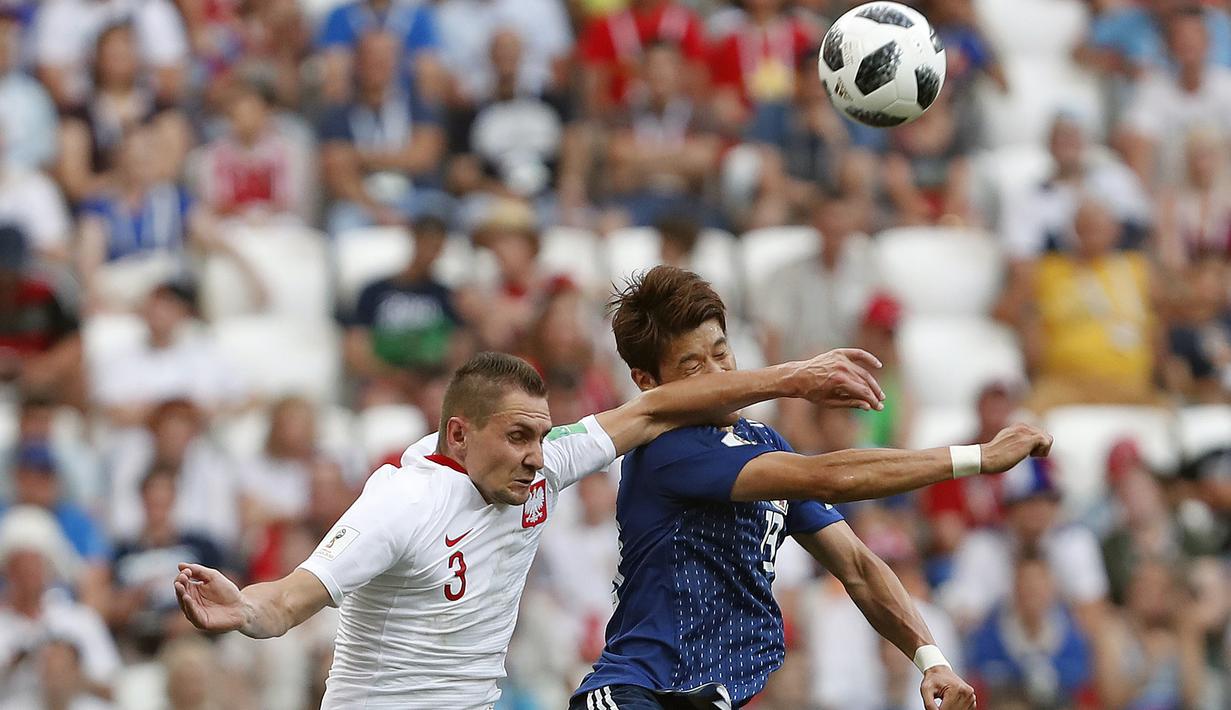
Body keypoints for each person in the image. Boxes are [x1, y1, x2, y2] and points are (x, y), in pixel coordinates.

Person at [173, 347, 890, 708]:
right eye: (517, 436)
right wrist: (242, 608)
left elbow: (656, 409)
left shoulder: (540, 469)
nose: (533, 456)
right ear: (459, 433)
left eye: (540, 436)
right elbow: (288, 601)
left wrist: (790, 377)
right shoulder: (399, 505)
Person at [571, 265, 1051, 710]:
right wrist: (979, 457)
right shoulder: (666, 451)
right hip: (634, 692)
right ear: (646, 381)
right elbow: (832, 477)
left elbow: (858, 566)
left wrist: (930, 659)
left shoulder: (761, 442)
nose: (720, 375)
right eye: (694, 367)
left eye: (722, 353)